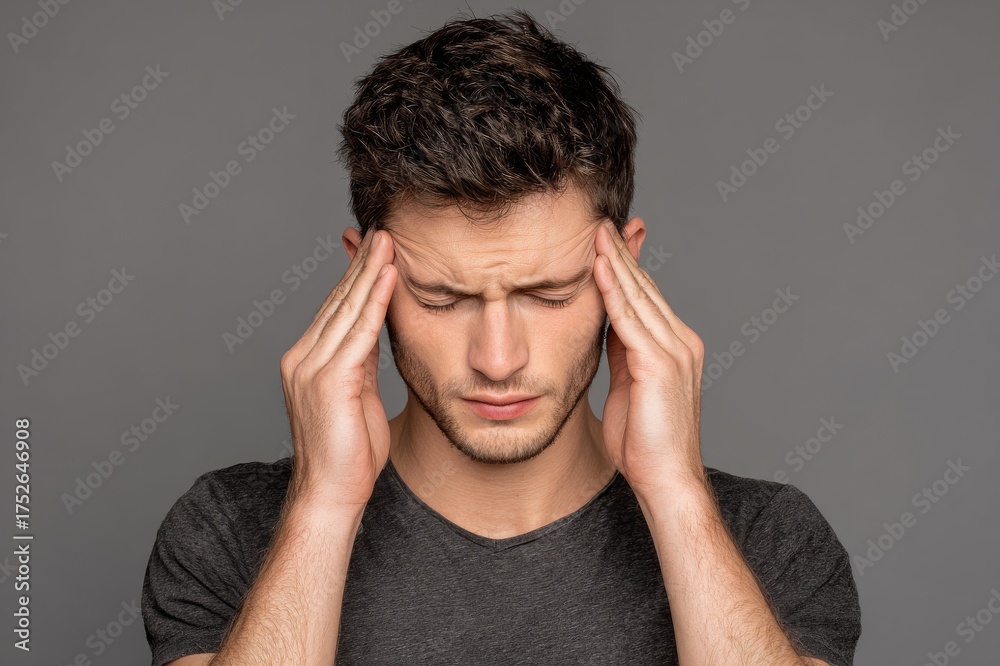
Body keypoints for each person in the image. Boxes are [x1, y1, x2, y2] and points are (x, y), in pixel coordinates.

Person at [141, 10, 861, 665]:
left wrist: (674, 491)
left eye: (549, 295)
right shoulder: (231, 532)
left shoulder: (770, 542)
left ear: (627, 271)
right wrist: (324, 504)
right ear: (365, 280)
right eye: (441, 297)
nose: (498, 360)